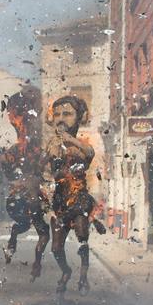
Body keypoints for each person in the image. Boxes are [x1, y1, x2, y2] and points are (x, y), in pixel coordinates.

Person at [45, 94, 106, 294]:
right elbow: (44, 169)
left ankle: (83, 276)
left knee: (82, 236)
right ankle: (66, 271)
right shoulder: (52, 145)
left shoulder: (82, 142)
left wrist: (69, 140)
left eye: (68, 114)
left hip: (79, 199)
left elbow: (89, 153)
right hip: (60, 202)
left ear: (78, 118)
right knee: (55, 248)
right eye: (58, 114)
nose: (61, 118)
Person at [0, 85, 50, 278]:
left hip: (18, 195)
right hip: (28, 195)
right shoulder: (28, 144)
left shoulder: (22, 144)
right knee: (42, 231)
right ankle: (37, 263)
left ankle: (13, 241)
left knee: (24, 226)